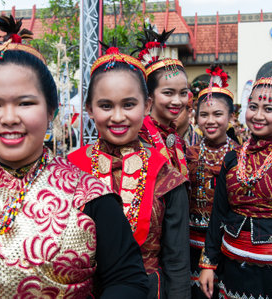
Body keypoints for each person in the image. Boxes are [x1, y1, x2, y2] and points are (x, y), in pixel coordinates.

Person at [0, 16, 148, 298]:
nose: (10, 118)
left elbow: (126, 280)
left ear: (51, 111)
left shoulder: (91, 197)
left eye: (25, 103)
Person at [67, 45, 190, 298]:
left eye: (129, 104)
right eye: (105, 106)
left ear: (146, 106)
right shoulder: (68, 170)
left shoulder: (167, 176)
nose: (118, 116)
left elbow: (177, 264)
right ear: (89, 109)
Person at [199, 53, 272, 299]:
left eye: (269, 109)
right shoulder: (233, 158)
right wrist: (208, 263)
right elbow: (219, 213)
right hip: (232, 267)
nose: (258, 115)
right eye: (253, 107)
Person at [186, 65, 239, 298]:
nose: (210, 121)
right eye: (204, 114)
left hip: (227, 246)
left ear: (230, 117)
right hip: (190, 245)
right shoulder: (187, 154)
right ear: (196, 118)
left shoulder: (241, 157)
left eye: (218, 114)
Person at [136, 25, 190, 177]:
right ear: (149, 96)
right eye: (168, 93)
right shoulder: (138, 138)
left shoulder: (177, 139)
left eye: (183, 93)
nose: (177, 101)